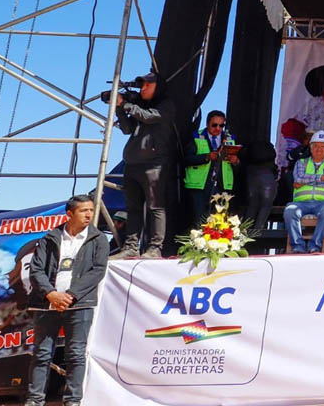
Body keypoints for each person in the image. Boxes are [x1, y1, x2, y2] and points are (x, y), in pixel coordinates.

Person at [25, 195, 108, 406]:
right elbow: (36, 270)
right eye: (84, 211)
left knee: (76, 354)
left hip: (79, 304)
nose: (89, 214)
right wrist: (51, 294)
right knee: (42, 353)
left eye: (91, 210)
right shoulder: (50, 237)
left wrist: (70, 295)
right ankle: (35, 400)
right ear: (69, 214)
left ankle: (72, 401)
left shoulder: (98, 239)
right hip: (47, 303)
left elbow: (97, 271)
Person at [110, 71, 177, 259]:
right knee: (133, 208)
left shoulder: (166, 105)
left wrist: (126, 104)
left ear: (158, 87)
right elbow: (126, 129)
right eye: (141, 86)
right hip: (132, 164)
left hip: (153, 165)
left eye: (148, 85)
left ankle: (155, 248)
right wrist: (119, 109)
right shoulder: (139, 106)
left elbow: (149, 117)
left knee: (155, 207)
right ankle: (130, 247)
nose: (143, 88)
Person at [283, 131, 324, 254]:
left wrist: (306, 179)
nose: (319, 150)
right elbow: (298, 179)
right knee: (289, 210)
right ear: (311, 148)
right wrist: (323, 177)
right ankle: (298, 247)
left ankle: (315, 246)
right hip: (301, 203)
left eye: (323, 147)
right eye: (316, 146)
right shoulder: (301, 162)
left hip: (323, 203)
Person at [182, 110, 238, 223]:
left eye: (221, 125)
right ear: (207, 124)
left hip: (222, 186)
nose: (218, 128)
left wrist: (236, 161)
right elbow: (186, 159)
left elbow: (238, 166)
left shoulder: (230, 139)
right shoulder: (196, 136)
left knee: (219, 222)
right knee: (199, 221)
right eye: (214, 125)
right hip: (199, 186)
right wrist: (206, 157)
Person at [242, 141, 279, 231]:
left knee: (253, 205)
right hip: (267, 176)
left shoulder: (250, 167)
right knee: (265, 205)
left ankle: (244, 231)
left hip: (251, 175)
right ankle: (258, 231)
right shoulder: (268, 166)